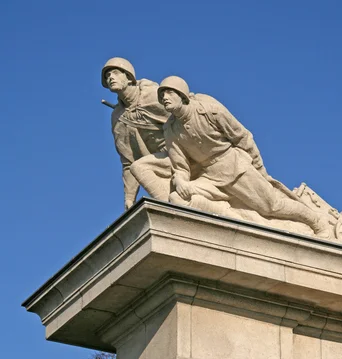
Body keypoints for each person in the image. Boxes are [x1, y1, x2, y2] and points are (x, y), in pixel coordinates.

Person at [155, 76, 330, 237]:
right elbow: (180, 166)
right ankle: (237, 222)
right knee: (177, 198)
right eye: (162, 94)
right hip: (210, 176)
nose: (164, 98)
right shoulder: (170, 130)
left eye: (169, 92)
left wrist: (260, 171)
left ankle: (316, 221)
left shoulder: (209, 110)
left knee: (272, 206)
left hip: (236, 167)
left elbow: (243, 137)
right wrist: (181, 182)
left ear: (182, 95)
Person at [101, 58, 170, 209]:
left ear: (128, 76)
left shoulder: (152, 95)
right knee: (139, 168)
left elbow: (182, 118)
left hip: (183, 154)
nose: (110, 77)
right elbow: (129, 162)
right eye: (107, 76)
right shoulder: (118, 118)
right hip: (159, 165)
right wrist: (129, 198)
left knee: (141, 167)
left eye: (115, 73)